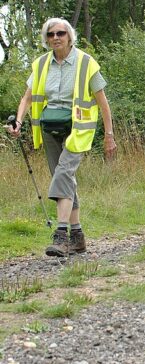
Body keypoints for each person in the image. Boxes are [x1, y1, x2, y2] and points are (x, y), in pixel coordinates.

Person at [7, 18, 116, 257]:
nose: (56, 37)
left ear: (70, 36)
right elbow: (27, 98)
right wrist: (19, 121)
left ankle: (61, 235)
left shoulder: (87, 63)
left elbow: (103, 103)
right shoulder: (40, 64)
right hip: (49, 128)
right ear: (46, 38)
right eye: (50, 34)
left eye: (61, 33)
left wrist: (109, 135)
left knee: (63, 174)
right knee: (64, 178)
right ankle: (78, 237)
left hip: (78, 130)